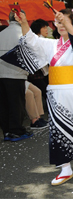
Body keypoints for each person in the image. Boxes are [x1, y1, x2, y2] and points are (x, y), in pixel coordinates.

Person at [12, 9, 73, 185]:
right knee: (58, 129)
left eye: (64, 22)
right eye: (58, 23)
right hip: (56, 91)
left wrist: (68, 24)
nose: (60, 26)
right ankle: (65, 168)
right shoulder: (51, 44)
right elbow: (31, 42)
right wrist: (23, 22)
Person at [0, 12, 33, 142]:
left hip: (0, 74)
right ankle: (16, 130)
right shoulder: (23, 34)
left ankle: (7, 131)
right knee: (16, 104)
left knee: (3, 104)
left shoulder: (2, 33)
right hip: (16, 74)